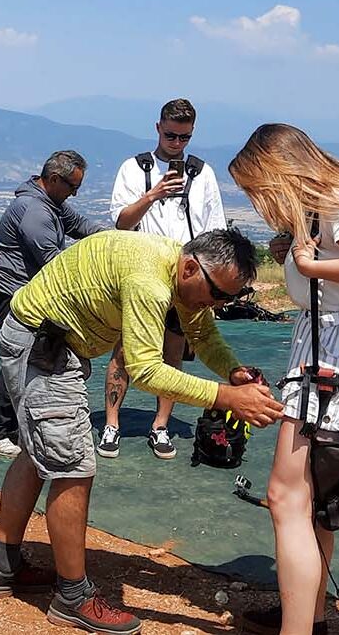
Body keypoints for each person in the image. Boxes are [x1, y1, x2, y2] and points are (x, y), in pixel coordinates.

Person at [0, 228, 283, 634]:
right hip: (43, 345)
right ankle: (72, 597)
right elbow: (144, 370)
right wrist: (225, 397)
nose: (219, 304)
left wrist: (232, 370)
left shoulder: (181, 270)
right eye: (217, 294)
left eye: (227, 299)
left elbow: (202, 332)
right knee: (73, 466)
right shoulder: (149, 281)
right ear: (191, 266)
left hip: (51, 340)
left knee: (39, 454)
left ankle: (4, 566)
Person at [227, 124, 339, 635]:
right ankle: (311, 615)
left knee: (286, 497)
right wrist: (299, 255)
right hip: (331, 356)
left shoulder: (334, 202)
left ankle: (298, 627)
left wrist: (310, 263)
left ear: (278, 173)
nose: (256, 200)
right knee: (313, 500)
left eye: (255, 188)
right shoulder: (322, 208)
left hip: (330, 365)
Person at [101, 98, 226, 461]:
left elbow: (214, 230)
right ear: (157, 128)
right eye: (170, 135)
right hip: (141, 272)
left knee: (173, 354)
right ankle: (112, 423)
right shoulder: (134, 168)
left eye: (184, 138)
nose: (176, 143)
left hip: (186, 277)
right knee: (125, 350)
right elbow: (122, 221)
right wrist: (154, 194)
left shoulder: (203, 174)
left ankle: (160, 425)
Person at [0, 150, 108, 459]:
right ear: (55, 180)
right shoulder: (35, 211)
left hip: (26, 295)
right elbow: (53, 263)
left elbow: (85, 228)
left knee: (31, 355)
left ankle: (14, 422)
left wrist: (115, 245)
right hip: (10, 294)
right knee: (25, 354)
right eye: (73, 186)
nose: (75, 192)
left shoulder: (54, 205)